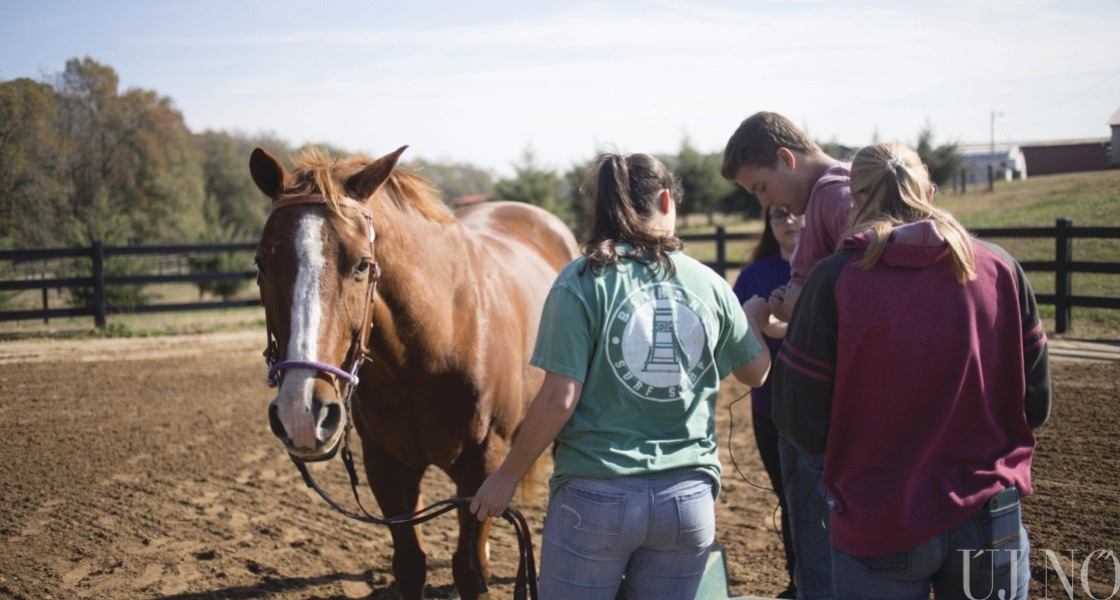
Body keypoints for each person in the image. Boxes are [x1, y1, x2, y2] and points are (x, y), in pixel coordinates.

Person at [470, 152, 772, 600]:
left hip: (594, 499)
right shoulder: (708, 282)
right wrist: (749, 317)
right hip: (687, 501)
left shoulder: (580, 280)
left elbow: (558, 399)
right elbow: (756, 372)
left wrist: (506, 478)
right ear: (666, 201)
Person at [771, 142, 1051, 600]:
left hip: (878, 516)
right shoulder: (1001, 268)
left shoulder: (836, 279)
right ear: (931, 192)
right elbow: (1034, 405)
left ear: (855, 201)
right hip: (989, 512)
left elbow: (800, 421)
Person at [722, 111, 852, 600]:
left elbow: (858, 293)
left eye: (760, 187)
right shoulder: (825, 204)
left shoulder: (836, 197)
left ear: (785, 158)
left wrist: (775, 310)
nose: (767, 202)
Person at [731, 206, 805, 599]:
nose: (789, 222)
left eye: (796, 214)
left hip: (820, 412)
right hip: (769, 409)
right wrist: (755, 321)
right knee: (788, 498)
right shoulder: (754, 275)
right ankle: (799, 581)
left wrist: (776, 325)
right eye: (779, 216)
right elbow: (734, 336)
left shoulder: (826, 269)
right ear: (768, 225)